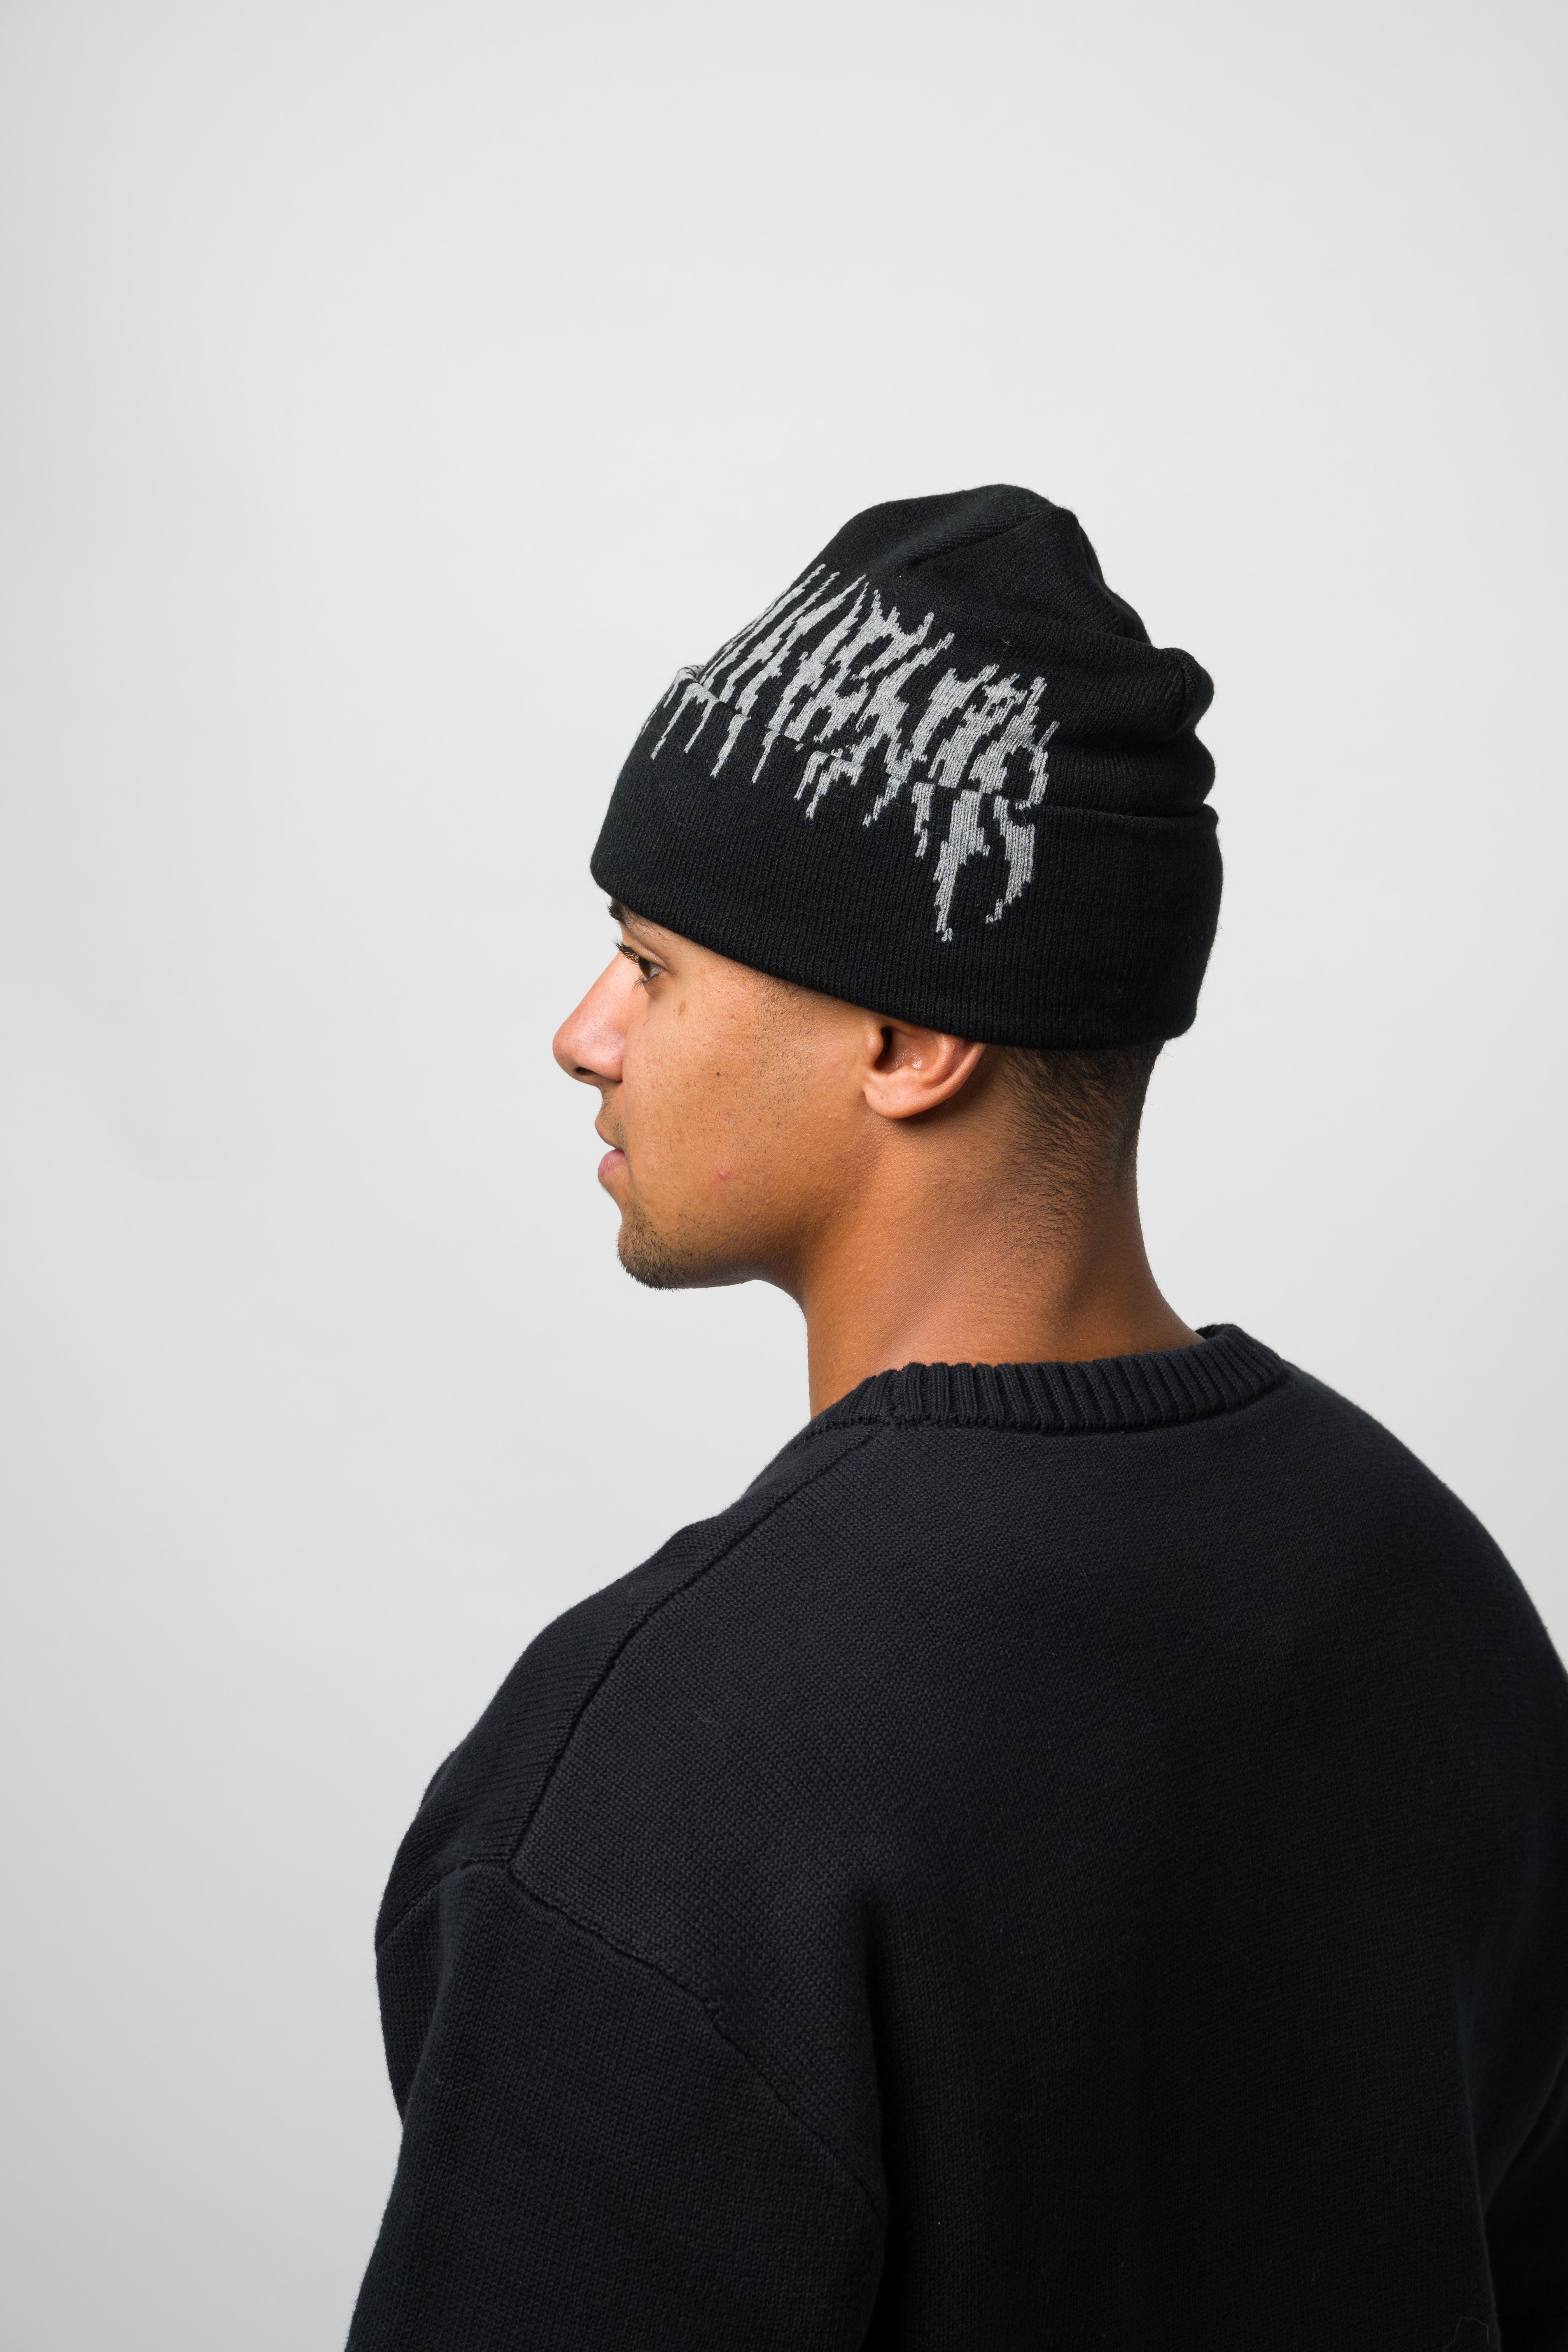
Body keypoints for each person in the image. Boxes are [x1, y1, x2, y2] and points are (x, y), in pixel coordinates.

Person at [347, 487, 1568, 2349]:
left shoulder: (668, 1785)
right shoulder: (1423, 1589)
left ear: (912, 1041)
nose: (586, 1032)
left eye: (656, 964)